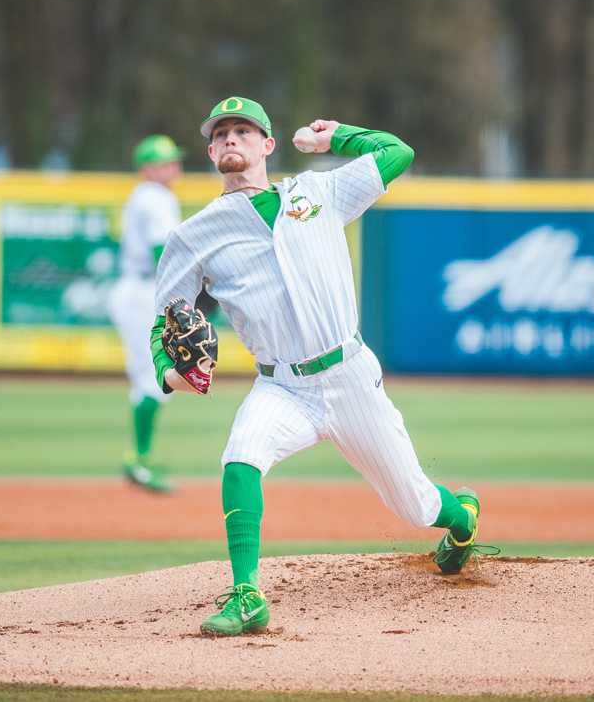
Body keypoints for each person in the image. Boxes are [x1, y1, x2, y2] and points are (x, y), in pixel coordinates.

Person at [151, 97, 485, 636]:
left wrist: (336, 138)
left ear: (267, 145)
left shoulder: (317, 191)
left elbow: (396, 152)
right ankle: (247, 594)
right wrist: (169, 373)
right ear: (211, 151)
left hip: (350, 377)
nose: (233, 139)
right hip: (281, 386)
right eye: (222, 133)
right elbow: (164, 323)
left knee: (416, 504)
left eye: (244, 130)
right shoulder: (193, 236)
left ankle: (461, 517)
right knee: (241, 456)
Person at [111, 134, 184, 493]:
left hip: (140, 290)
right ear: (146, 169)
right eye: (163, 162)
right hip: (143, 293)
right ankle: (138, 459)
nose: (172, 167)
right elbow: (163, 253)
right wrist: (181, 298)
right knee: (153, 378)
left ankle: (142, 456)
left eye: (173, 160)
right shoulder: (155, 198)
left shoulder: (149, 196)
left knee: (155, 379)